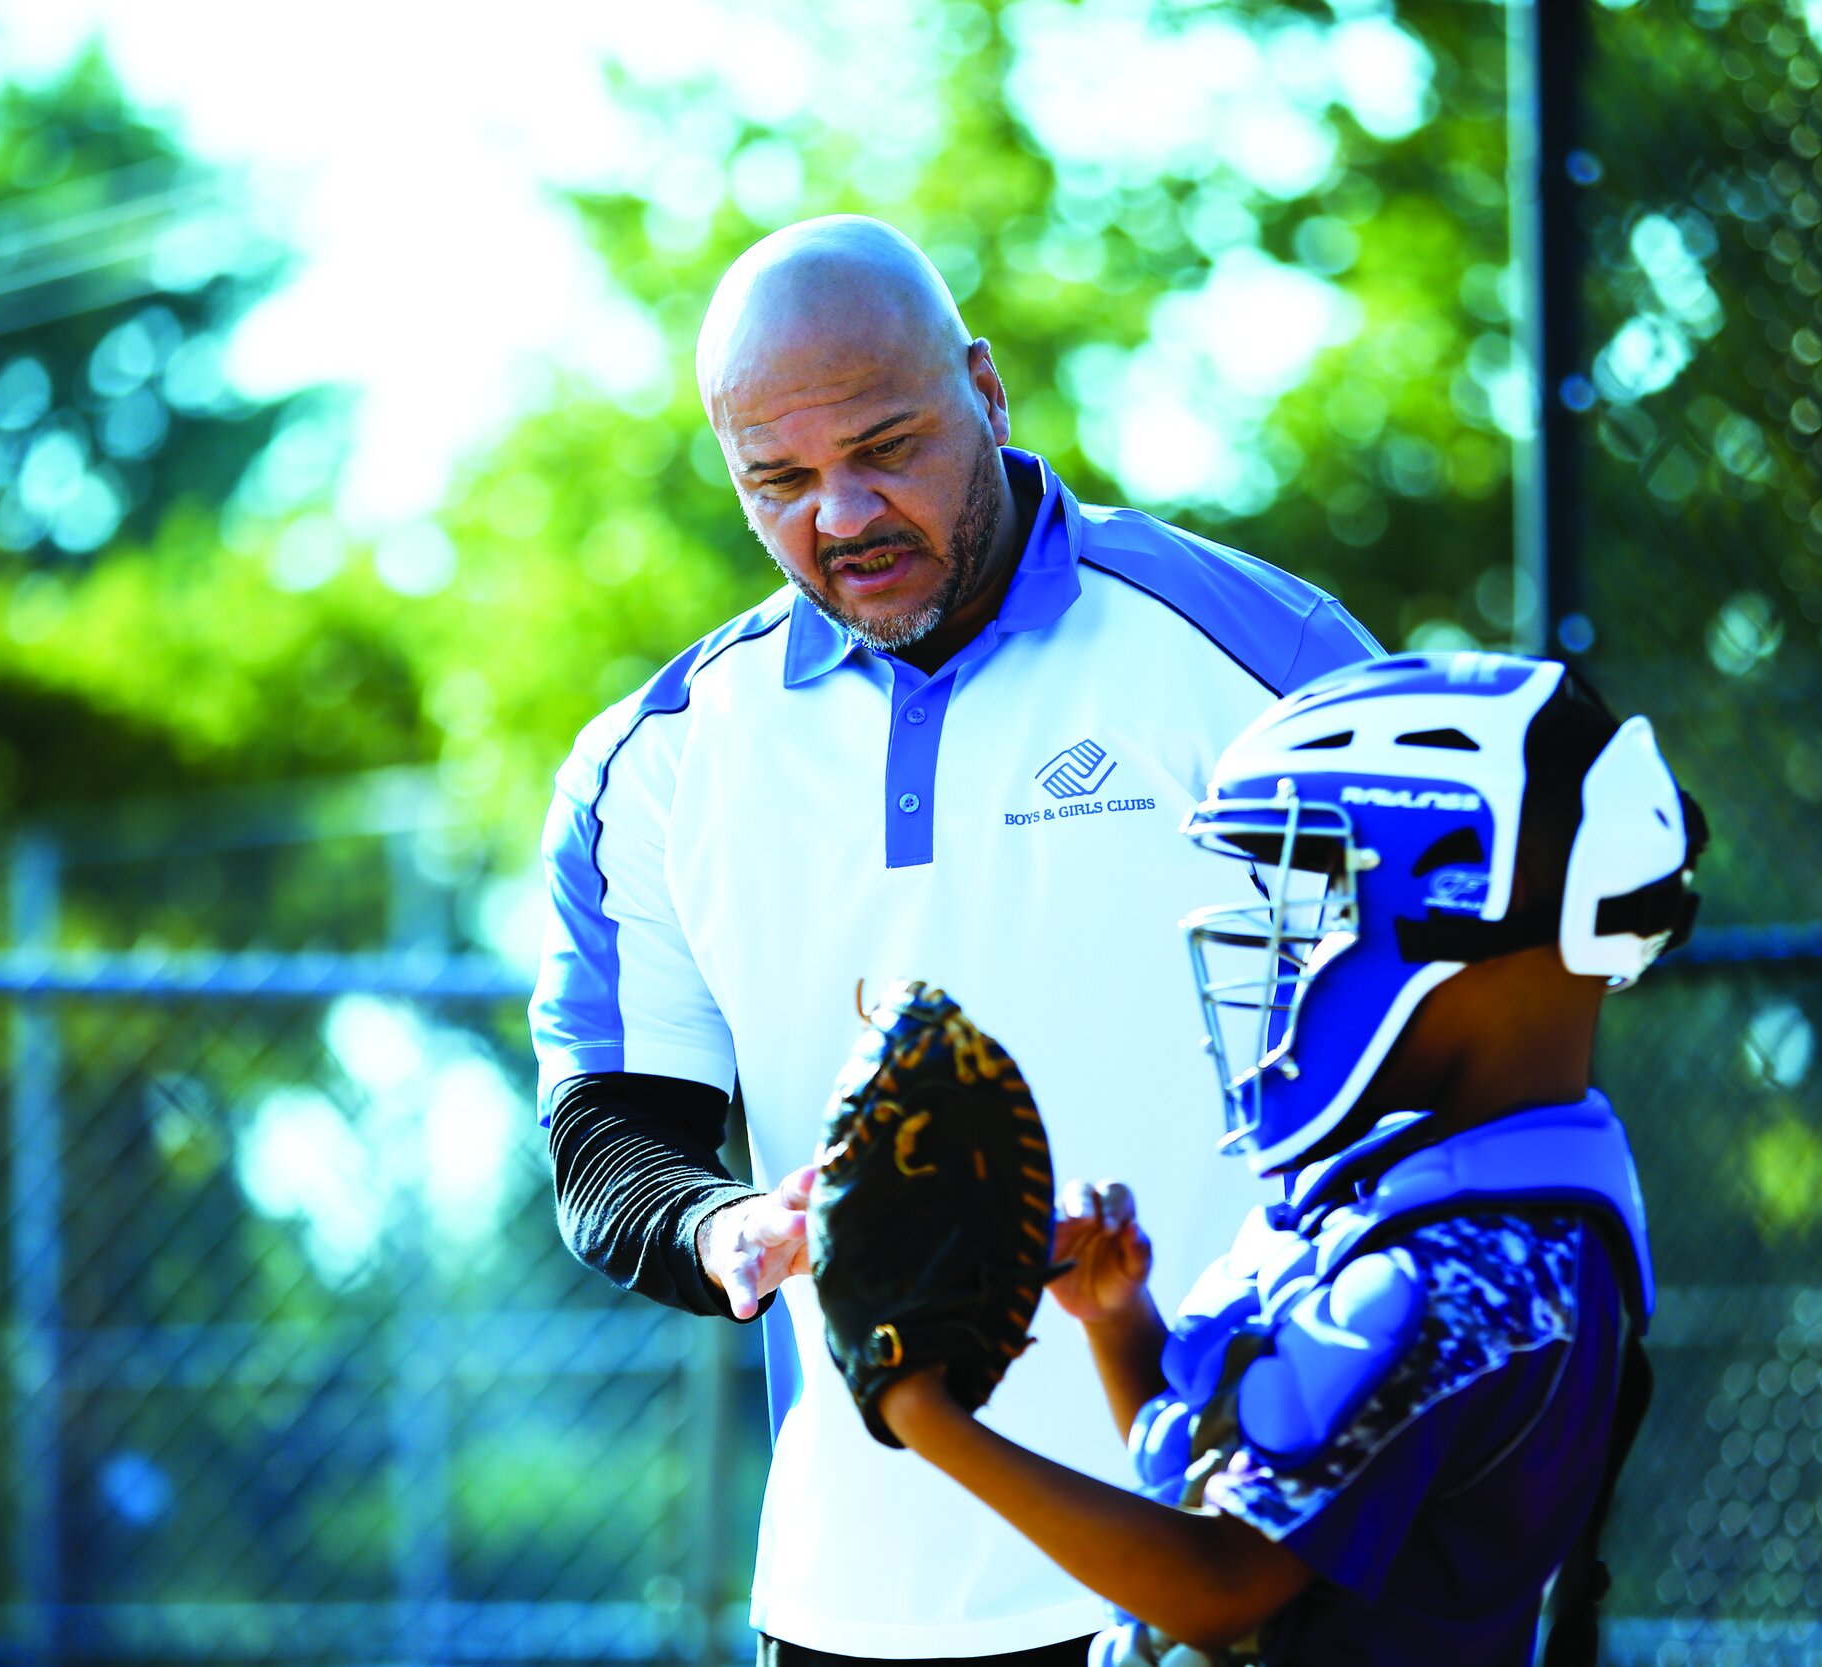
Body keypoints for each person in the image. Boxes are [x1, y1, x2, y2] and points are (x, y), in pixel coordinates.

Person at [530, 214, 1381, 1664]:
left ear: (984, 391)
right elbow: (611, 1133)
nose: (843, 513)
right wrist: (723, 1224)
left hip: (1221, 1563)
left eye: (886, 444)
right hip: (849, 1599)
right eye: (779, 479)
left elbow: (1435, 1050)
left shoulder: (1266, 664)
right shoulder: (655, 766)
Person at [864, 651, 1707, 1665]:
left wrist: (919, 1408)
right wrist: (1119, 1322)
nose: (1296, 949)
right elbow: (1232, 1484)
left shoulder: (1454, 1271)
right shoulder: (1470, 1210)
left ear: (1468, 897)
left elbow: (1220, 1587)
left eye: (1334, 898)